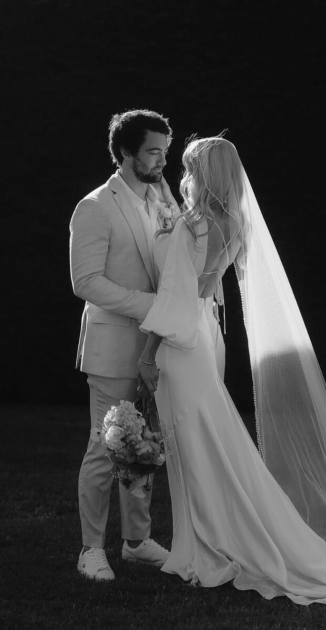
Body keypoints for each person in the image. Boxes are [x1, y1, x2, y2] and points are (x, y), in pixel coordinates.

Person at [137, 135, 326, 605]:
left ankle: (206, 551)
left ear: (203, 175)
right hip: (202, 337)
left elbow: (175, 297)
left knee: (194, 447)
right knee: (207, 445)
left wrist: (147, 354)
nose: (184, 175)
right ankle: (200, 545)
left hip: (180, 342)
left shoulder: (194, 225)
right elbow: (203, 290)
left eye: (189, 166)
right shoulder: (236, 224)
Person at [70, 109, 179, 580]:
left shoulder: (164, 200)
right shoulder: (94, 206)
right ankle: (90, 549)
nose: (161, 160)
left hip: (158, 349)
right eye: (153, 151)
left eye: (165, 151)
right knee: (104, 447)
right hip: (113, 347)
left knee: (145, 445)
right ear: (126, 153)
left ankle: (136, 541)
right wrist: (150, 305)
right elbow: (86, 281)